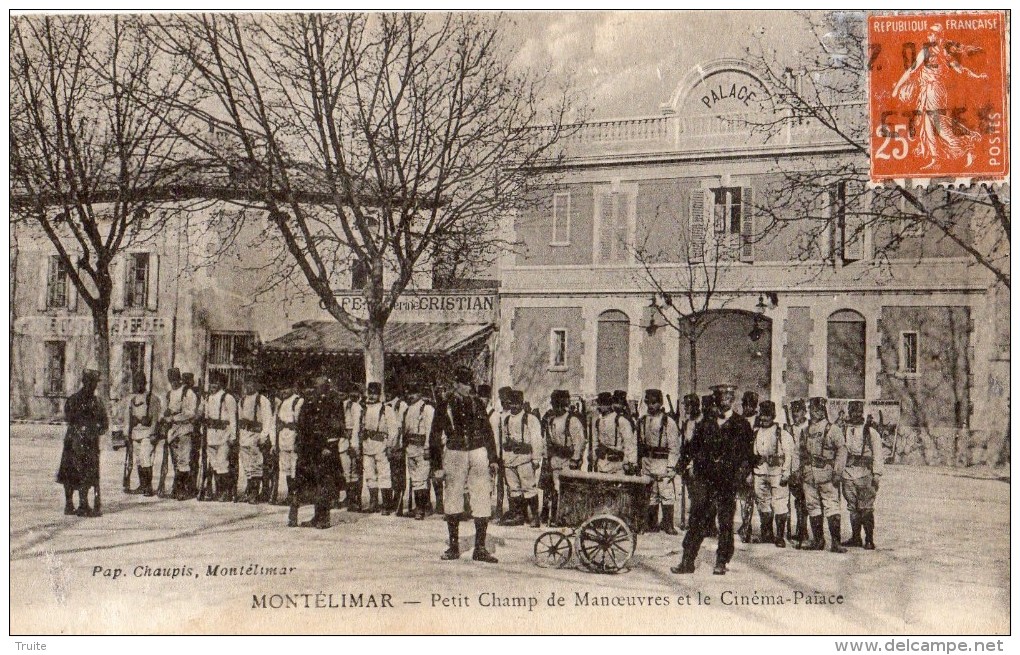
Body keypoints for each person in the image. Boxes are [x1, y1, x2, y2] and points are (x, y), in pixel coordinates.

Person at [672, 383, 753, 576]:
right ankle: (687, 560)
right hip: (705, 478)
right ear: (715, 399)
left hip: (727, 481)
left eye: (727, 397)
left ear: (732, 400)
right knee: (697, 519)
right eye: (719, 397)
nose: (723, 401)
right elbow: (692, 447)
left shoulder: (742, 425)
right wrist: (681, 464)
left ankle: (721, 561)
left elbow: (747, 455)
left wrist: (740, 476)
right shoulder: (705, 423)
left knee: (725, 522)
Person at [892, 23, 986, 170]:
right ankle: (936, 158)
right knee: (927, 123)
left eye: (932, 34)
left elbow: (959, 69)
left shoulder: (935, 53)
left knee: (939, 124)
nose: (929, 36)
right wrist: (897, 87)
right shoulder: (936, 52)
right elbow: (913, 70)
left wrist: (977, 76)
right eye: (930, 33)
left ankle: (968, 146)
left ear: (938, 36)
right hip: (930, 90)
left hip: (934, 90)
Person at [431, 365, 499, 563]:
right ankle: (453, 547)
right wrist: (436, 465)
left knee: (481, 496)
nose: (468, 387)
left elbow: (487, 431)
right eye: (463, 384)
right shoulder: (445, 404)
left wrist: (493, 458)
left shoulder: (478, 404)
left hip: (477, 451)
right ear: (455, 384)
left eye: (470, 384)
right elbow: (435, 435)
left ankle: (480, 548)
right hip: (455, 452)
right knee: (453, 496)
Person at [290, 375, 344, 529]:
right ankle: (316, 516)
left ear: (327, 385)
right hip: (309, 448)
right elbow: (302, 422)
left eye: (320, 384)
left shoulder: (334, 401)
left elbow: (337, 424)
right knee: (312, 482)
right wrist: (299, 443)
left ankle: (324, 518)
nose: (317, 386)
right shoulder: (309, 400)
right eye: (315, 384)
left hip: (325, 448)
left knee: (325, 483)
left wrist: (329, 446)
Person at [57, 369, 108, 517]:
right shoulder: (74, 400)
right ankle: (70, 504)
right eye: (90, 382)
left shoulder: (97, 402)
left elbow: (104, 422)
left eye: (94, 383)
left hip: (90, 442)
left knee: (86, 473)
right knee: (70, 473)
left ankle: (83, 504)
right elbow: (69, 417)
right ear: (84, 382)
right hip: (74, 442)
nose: (92, 386)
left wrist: (98, 429)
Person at [800, 397, 848, 552]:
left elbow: (842, 450)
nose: (816, 413)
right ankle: (818, 540)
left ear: (824, 411)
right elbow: (798, 451)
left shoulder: (833, 429)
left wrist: (838, 472)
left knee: (831, 506)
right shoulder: (805, 430)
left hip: (827, 474)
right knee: (813, 506)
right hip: (809, 475)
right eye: (813, 410)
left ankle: (836, 542)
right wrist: (796, 470)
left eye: (819, 410)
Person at [497, 389, 544, 528]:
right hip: (510, 459)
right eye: (511, 403)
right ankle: (518, 515)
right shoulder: (506, 419)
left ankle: (534, 517)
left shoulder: (530, 419)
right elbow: (503, 440)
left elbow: (537, 440)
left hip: (524, 459)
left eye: (517, 404)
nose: (514, 407)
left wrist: (536, 459)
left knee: (529, 488)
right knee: (514, 488)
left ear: (522, 404)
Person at [752, 400, 795, 547]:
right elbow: (752, 454)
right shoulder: (756, 433)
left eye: (767, 416)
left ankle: (779, 536)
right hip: (760, 473)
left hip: (777, 473)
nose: (764, 419)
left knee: (780, 504)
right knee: (763, 503)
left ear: (774, 415)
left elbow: (789, 455)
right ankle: (767, 533)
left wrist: (786, 474)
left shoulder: (782, 433)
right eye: (762, 415)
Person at [840, 400, 883, 550]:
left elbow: (878, 453)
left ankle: (869, 539)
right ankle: (856, 537)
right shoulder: (843, 429)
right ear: (849, 412)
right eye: (853, 411)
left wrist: (877, 474)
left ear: (862, 413)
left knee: (866, 508)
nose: (855, 414)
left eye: (858, 411)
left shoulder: (870, 432)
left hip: (865, 475)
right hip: (847, 473)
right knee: (852, 508)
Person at [540, 390, 585, 527]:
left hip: (569, 459)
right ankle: (555, 517)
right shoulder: (551, 420)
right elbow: (548, 441)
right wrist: (547, 456)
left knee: (567, 490)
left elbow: (579, 441)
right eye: (555, 405)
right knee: (555, 489)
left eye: (559, 405)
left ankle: (567, 517)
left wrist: (575, 459)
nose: (557, 408)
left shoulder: (572, 420)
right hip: (556, 459)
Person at [640, 389, 681, 534]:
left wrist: (671, 466)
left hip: (662, 461)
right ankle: (651, 523)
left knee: (666, 492)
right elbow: (637, 442)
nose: (651, 406)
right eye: (648, 402)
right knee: (651, 492)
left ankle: (668, 524)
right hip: (647, 461)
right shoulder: (643, 420)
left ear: (661, 403)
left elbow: (674, 446)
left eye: (654, 402)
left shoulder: (668, 422)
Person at [357, 382, 395, 513]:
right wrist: (356, 445)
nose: (372, 396)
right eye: (370, 393)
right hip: (367, 446)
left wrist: (390, 446)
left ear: (379, 394)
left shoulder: (386, 409)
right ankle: (373, 502)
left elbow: (393, 430)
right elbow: (358, 428)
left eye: (375, 393)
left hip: (381, 446)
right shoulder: (363, 408)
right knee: (369, 475)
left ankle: (386, 504)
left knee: (384, 474)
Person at [202, 372, 238, 502]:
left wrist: (233, 436)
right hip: (211, 434)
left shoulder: (227, 398)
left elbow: (233, 418)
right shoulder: (208, 398)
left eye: (216, 383)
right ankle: (217, 490)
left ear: (222, 384)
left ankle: (225, 492)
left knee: (223, 462)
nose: (213, 385)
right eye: (211, 382)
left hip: (224, 434)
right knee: (214, 463)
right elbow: (206, 417)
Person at [163, 368, 198, 501]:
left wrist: (175, 417)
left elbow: (191, 413)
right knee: (176, 460)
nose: (173, 382)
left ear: (179, 379)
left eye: (175, 379)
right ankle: (177, 487)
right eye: (171, 380)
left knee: (184, 459)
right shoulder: (169, 393)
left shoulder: (188, 393)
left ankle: (183, 488)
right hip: (172, 430)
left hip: (184, 429)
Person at [402, 381, 435, 520]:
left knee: (421, 478)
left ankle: (421, 509)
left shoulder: (426, 408)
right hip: (411, 447)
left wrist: (428, 447)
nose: (411, 396)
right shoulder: (408, 409)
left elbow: (429, 430)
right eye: (409, 393)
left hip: (422, 447)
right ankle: (422, 505)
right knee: (415, 478)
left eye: (414, 393)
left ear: (420, 394)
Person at [238, 378, 274, 504]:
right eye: (246, 384)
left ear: (256, 385)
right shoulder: (242, 400)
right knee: (246, 464)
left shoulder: (262, 400)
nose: (248, 387)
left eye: (251, 384)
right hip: (244, 435)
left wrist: (263, 436)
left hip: (256, 435)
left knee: (256, 464)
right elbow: (240, 418)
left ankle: (255, 492)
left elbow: (267, 420)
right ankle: (249, 491)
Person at [125, 374, 161, 497]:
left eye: (141, 382)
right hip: (136, 433)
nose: (138, 385)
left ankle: (148, 487)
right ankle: (142, 485)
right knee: (139, 460)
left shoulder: (152, 398)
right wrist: (127, 433)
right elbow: (129, 418)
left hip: (147, 433)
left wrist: (153, 433)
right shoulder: (133, 400)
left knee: (145, 458)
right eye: (136, 383)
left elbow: (156, 418)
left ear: (145, 383)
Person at [592, 391, 638, 475]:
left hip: (616, 464)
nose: (599, 407)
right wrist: (594, 458)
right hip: (601, 463)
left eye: (602, 404)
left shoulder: (620, 420)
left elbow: (629, 443)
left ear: (609, 405)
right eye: (599, 404)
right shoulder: (598, 422)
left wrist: (630, 462)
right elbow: (595, 442)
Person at [275, 385, 304, 513]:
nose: (284, 391)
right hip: (283, 437)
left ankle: (296, 495)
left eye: (286, 388)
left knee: (294, 467)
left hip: (293, 436)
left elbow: (300, 423)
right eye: (282, 389)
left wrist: (299, 440)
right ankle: (290, 493)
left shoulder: (298, 401)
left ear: (293, 388)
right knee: (285, 467)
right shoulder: (281, 403)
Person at [786, 399, 810, 548]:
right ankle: (799, 529)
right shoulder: (789, 429)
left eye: (798, 411)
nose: (795, 414)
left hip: (806, 469)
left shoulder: (810, 427)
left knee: (806, 500)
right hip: (792, 469)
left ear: (804, 412)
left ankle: (804, 530)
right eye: (793, 412)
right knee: (798, 500)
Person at [737, 390, 759, 543]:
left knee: (752, 497)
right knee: (743, 497)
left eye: (751, 405)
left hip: (753, 463)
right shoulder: (739, 420)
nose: (748, 407)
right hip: (739, 462)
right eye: (745, 404)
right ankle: (745, 525)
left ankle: (748, 526)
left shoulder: (758, 421)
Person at [384, 386, 410, 516]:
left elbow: (401, 427)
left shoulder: (402, 405)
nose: (387, 393)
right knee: (392, 473)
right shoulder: (386, 405)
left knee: (399, 473)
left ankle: (399, 502)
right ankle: (392, 501)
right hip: (389, 444)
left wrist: (395, 446)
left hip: (398, 445)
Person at [340, 382, 363, 511]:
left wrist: (354, 444)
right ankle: (348, 497)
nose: (340, 396)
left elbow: (356, 427)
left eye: (342, 394)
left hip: (351, 440)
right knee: (345, 471)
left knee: (353, 471)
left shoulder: (354, 406)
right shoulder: (339, 405)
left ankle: (355, 500)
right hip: (341, 440)